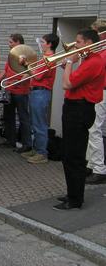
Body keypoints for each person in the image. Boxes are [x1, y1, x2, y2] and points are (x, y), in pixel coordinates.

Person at [55, 29, 105, 210]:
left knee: (74, 156)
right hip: (75, 108)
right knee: (68, 154)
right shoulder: (87, 60)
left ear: (89, 43)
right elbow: (73, 80)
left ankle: (76, 199)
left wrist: (68, 61)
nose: (75, 45)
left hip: (79, 109)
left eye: (78, 42)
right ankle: (72, 193)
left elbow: (66, 84)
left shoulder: (94, 61)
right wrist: (67, 65)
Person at [22, 33, 59, 164]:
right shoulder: (45, 57)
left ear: (49, 44)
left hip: (41, 93)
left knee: (39, 124)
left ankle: (42, 153)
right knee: (34, 123)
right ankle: (36, 149)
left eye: (43, 42)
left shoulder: (49, 58)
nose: (41, 44)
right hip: (36, 92)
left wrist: (26, 65)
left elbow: (37, 76)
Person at [0, 34, 32, 152]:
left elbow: (30, 71)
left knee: (23, 117)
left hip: (21, 91)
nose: (9, 45)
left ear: (18, 42)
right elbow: (6, 70)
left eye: (11, 42)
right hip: (10, 90)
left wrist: (20, 81)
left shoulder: (26, 55)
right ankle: (11, 141)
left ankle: (26, 144)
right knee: (8, 116)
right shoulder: (12, 55)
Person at [86, 20, 106, 184]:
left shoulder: (103, 52)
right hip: (97, 90)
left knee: (95, 129)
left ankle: (99, 169)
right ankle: (91, 165)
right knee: (91, 128)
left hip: (103, 91)